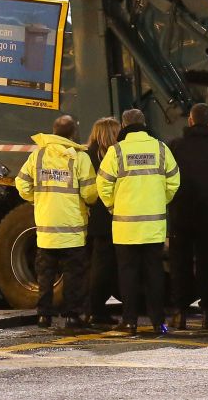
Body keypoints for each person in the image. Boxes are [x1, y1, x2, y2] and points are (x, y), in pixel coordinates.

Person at [97, 109, 180, 335]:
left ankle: (130, 321)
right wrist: (159, 201)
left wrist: (114, 206)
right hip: (153, 227)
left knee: (128, 276)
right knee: (154, 275)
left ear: (124, 125)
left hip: (126, 228)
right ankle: (157, 322)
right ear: (144, 123)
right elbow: (174, 181)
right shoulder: (161, 149)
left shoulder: (117, 152)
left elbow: (102, 185)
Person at [16, 115, 98, 328]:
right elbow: (90, 193)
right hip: (72, 230)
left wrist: (40, 198)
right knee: (73, 275)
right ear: (73, 134)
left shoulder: (38, 156)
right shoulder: (79, 158)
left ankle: (44, 315)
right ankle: (73, 316)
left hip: (46, 229)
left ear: (53, 131)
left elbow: (22, 186)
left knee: (45, 274)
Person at [167, 103, 208, 330]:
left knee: (180, 265)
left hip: (181, 214)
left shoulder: (176, 146)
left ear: (190, 121)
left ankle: (180, 313)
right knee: (207, 265)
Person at [84, 117, 122, 325]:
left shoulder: (87, 156)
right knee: (104, 267)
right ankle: (96, 309)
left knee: (97, 264)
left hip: (92, 217)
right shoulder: (114, 156)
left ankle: (92, 307)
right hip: (109, 217)